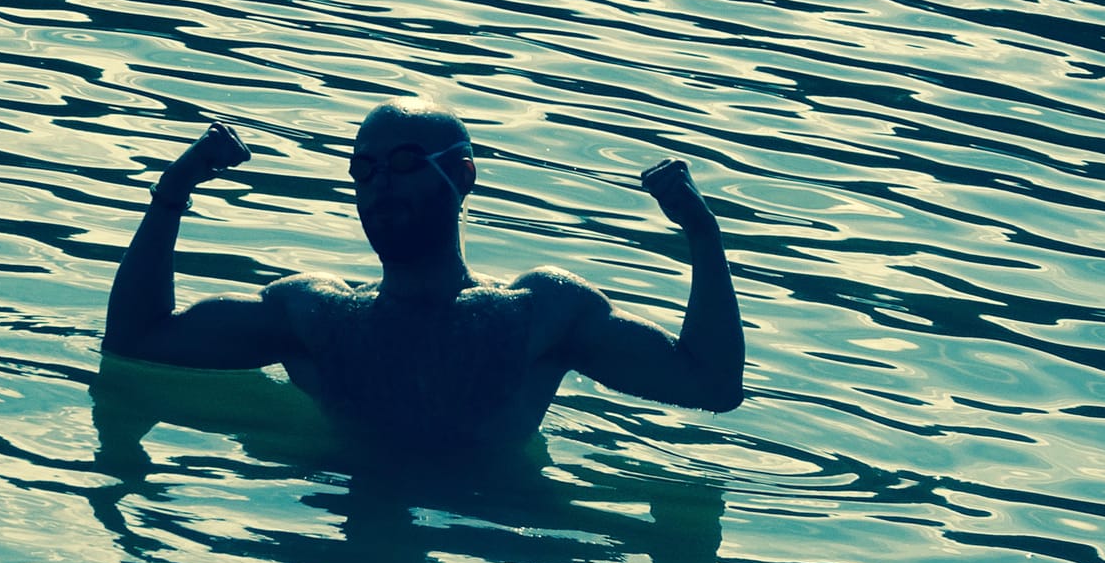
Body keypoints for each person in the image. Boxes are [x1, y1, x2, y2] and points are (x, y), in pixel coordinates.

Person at [102, 100, 744, 454]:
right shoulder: (317, 315)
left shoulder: (536, 313)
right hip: (341, 523)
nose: (380, 183)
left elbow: (710, 386)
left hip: (489, 554)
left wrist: (703, 235)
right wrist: (171, 193)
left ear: (462, 175)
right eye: (364, 169)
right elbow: (136, 340)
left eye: (404, 162)